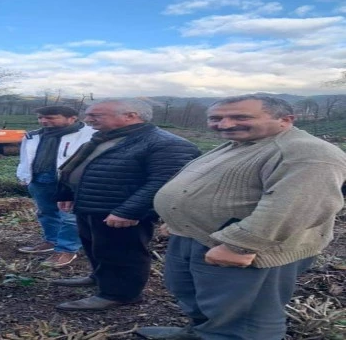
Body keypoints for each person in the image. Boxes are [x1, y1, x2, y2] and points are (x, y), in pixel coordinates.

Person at [136, 95, 346, 340]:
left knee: (245, 316)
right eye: (216, 118)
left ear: (285, 120)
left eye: (240, 117)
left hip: (251, 249)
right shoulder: (244, 142)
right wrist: (177, 221)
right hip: (198, 236)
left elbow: (298, 206)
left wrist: (240, 245)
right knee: (198, 296)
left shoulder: (307, 152)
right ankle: (203, 332)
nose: (224, 125)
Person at [52, 99, 200, 310]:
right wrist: (66, 192)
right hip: (92, 206)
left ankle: (119, 294)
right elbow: (76, 166)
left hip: (122, 212)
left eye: (97, 115)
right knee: (97, 248)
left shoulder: (166, 143)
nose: (88, 119)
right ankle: (100, 278)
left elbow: (164, 182)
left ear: (131, 116)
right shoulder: (104, 138)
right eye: (88, 114)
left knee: (123, 253)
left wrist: (129, 210)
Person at [16, 105, 96, 267]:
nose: (44, 121)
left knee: (70, 217)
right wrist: (23, 175)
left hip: (71, 184)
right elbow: (25, 157)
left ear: (72, 118)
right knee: (46, 212)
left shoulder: (91, 136)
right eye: (41, 118)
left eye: (51, 118)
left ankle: (67, 249)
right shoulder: (33, 136)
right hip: (39, 180)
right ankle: (51, 241)